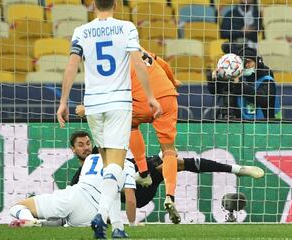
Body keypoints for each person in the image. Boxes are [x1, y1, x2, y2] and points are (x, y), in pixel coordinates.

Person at [56, 0, 162, 238]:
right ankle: (100, 215)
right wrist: (151, 97)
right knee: (117, 165)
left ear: (93, 4)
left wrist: (63, 101)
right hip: (118, 104)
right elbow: (138, 63)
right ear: (115, 4)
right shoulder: (126, 28)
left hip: (92, 105)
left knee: (108, 167)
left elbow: (72, 65)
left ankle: (118, 228)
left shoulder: (81, 31)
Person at [8, 151, 136, 238]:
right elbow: (130, 199)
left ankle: (31, 221)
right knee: (64, 219)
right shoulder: (126, 164)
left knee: (17, 207)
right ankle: (41, 224)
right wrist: (132, 225)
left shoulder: (91, 158)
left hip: (76, 195)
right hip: (93, 214)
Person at [129, 49, 181, 224]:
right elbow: (165, 65)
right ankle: (170, 196)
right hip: (168, 96)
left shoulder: (114, 59)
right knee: (169, 151)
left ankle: (143, 172)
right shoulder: (141, 50)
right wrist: (174, 82)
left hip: (145, 101)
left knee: (130, 125)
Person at [127, 154, 265, 209]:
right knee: (171, 159)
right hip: (136, 190)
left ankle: (238, 169)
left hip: (141, 184)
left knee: (174, 162)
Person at [207, 47, 281, 120]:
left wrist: (239, 85)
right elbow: (214, 91)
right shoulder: (236, 78)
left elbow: (261, 99)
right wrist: (215, 80)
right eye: (243, 62)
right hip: (240, 125)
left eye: (249, 62)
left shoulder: (267, 80)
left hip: (264, 126)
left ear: (257, 63)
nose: (246, 65)